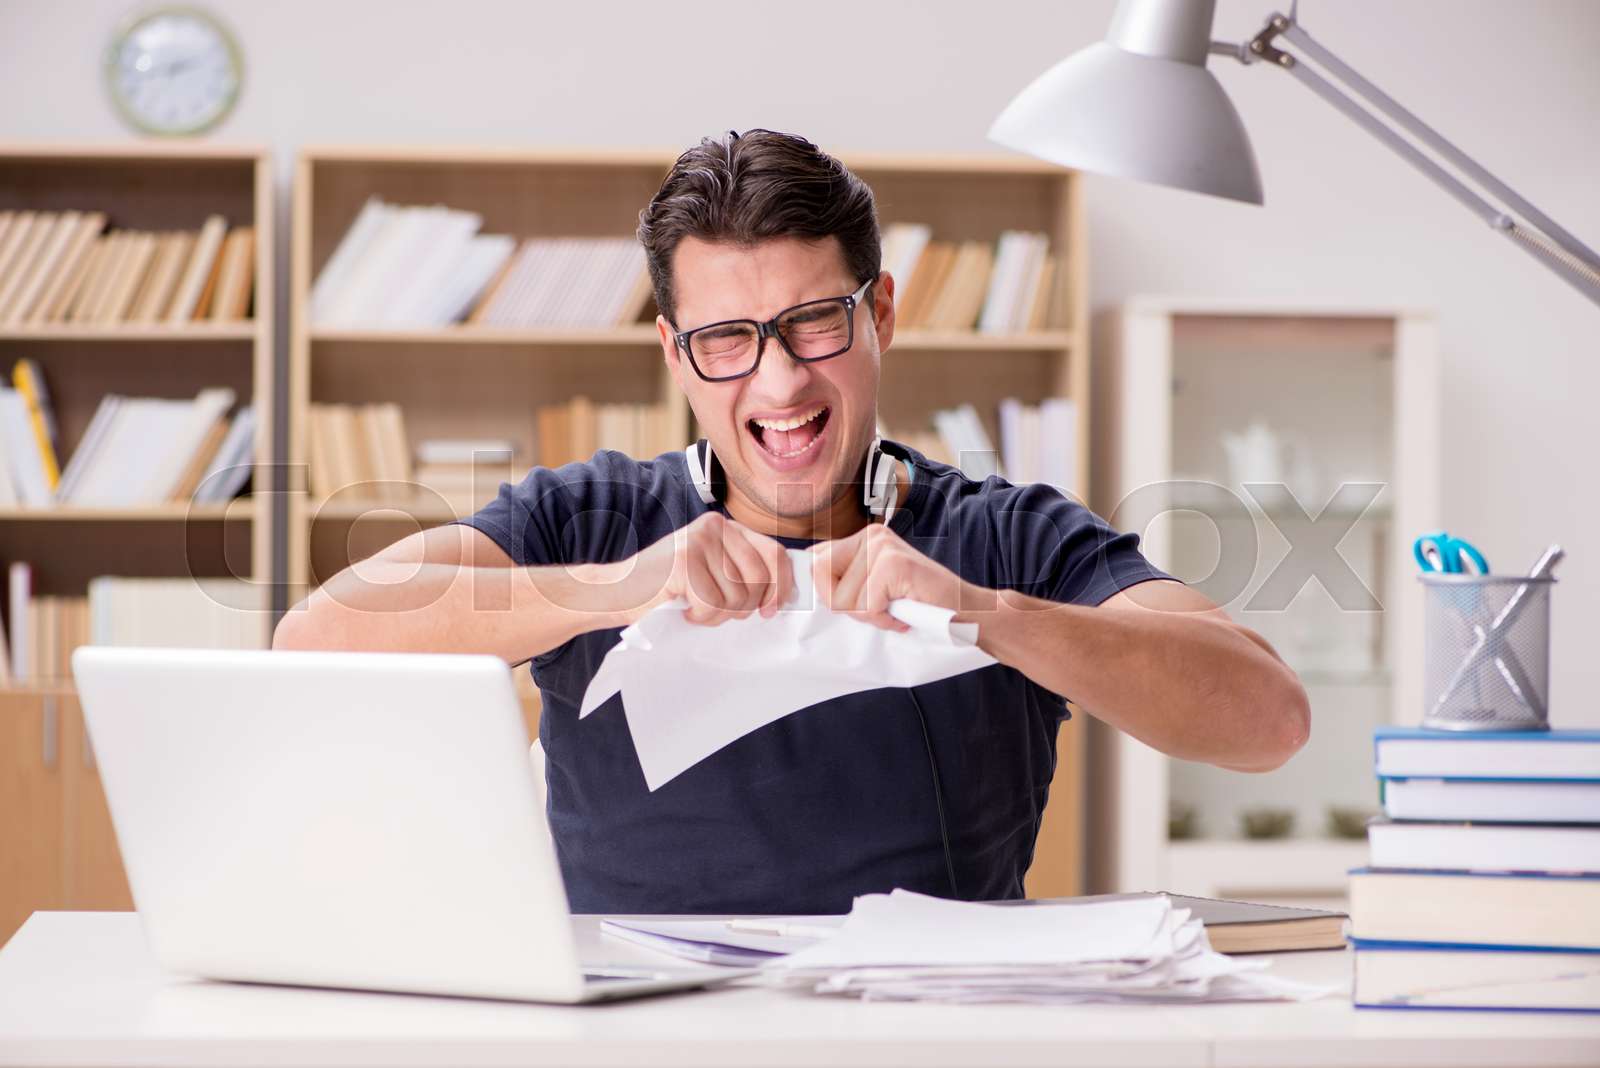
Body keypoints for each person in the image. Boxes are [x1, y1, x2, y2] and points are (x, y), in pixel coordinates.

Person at [274, 129, 1309, 914]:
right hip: (626, 1036)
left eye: (814, 323)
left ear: (881, 315)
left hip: (926, 1036)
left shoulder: (1005, 536)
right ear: (677, 356)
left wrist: (987, 614)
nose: (779, 379)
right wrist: (623, 584)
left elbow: (1267, 722)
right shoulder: (591, 515)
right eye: (727, 338)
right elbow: (317, 638)